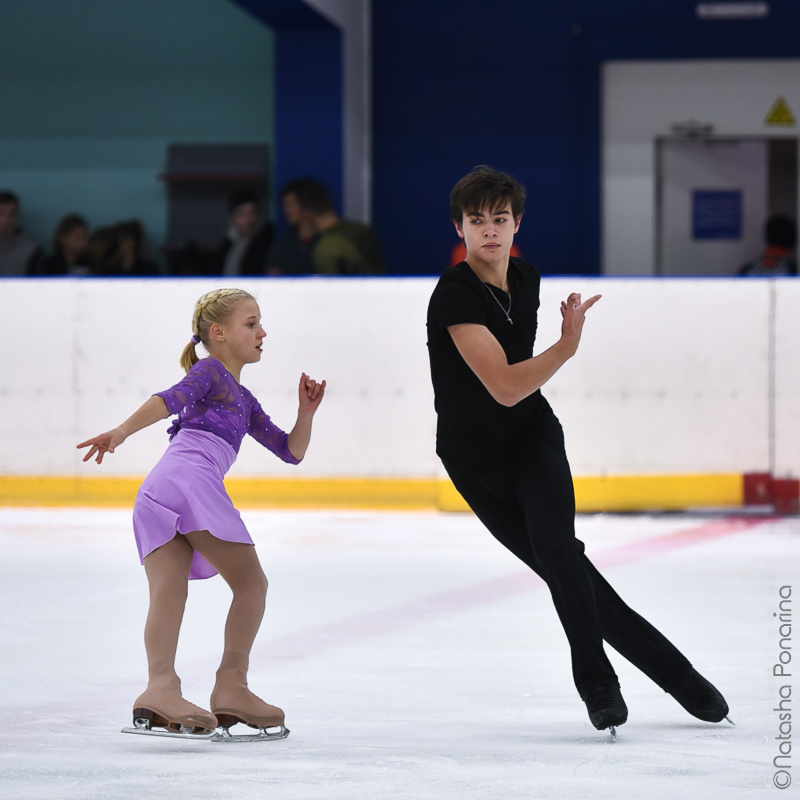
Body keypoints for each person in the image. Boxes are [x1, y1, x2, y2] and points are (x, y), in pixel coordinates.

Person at [426, 165, 730, 734]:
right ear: (459, 228)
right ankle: (680, 678)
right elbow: (507, 384)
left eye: (500, 218)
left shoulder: (529, 277)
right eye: (477, 220)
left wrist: (556, 350)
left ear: (517, 224)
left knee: (561, 554)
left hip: (532, 437)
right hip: (472, 461)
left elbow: (521, 398)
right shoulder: (454, 294)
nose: (490, 230)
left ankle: (600, 688)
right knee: (566, 568)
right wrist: (567, 347)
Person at [77, 288, 326, 738]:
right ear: (219, 333)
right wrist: (122, 431)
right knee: (252, 584)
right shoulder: (210, 371)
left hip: (159, 487)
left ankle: (160, 687)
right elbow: (169, 399)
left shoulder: (243, 399)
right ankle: (232, 685)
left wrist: (305, 412)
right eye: (251, 323)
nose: (262, 331)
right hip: (191, 480)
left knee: (169, 593)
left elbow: (290, 451)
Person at [265, 178, 321, 276]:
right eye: (285, 205)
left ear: (306, 204)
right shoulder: (283, 246)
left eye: (290, 204)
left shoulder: (326, 242)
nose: (286, 210)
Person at [216, 189, 274, 276]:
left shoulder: (268, 242)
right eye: (242, 214)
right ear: (232, 217)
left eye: (252, 213)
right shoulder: (227, 243)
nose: (248, 219)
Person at [0, 190, 43, 276]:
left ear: (18, 215)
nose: (7, 219)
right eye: (1, 213)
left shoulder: (32, 249)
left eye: (12, 213)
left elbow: (37, 284)